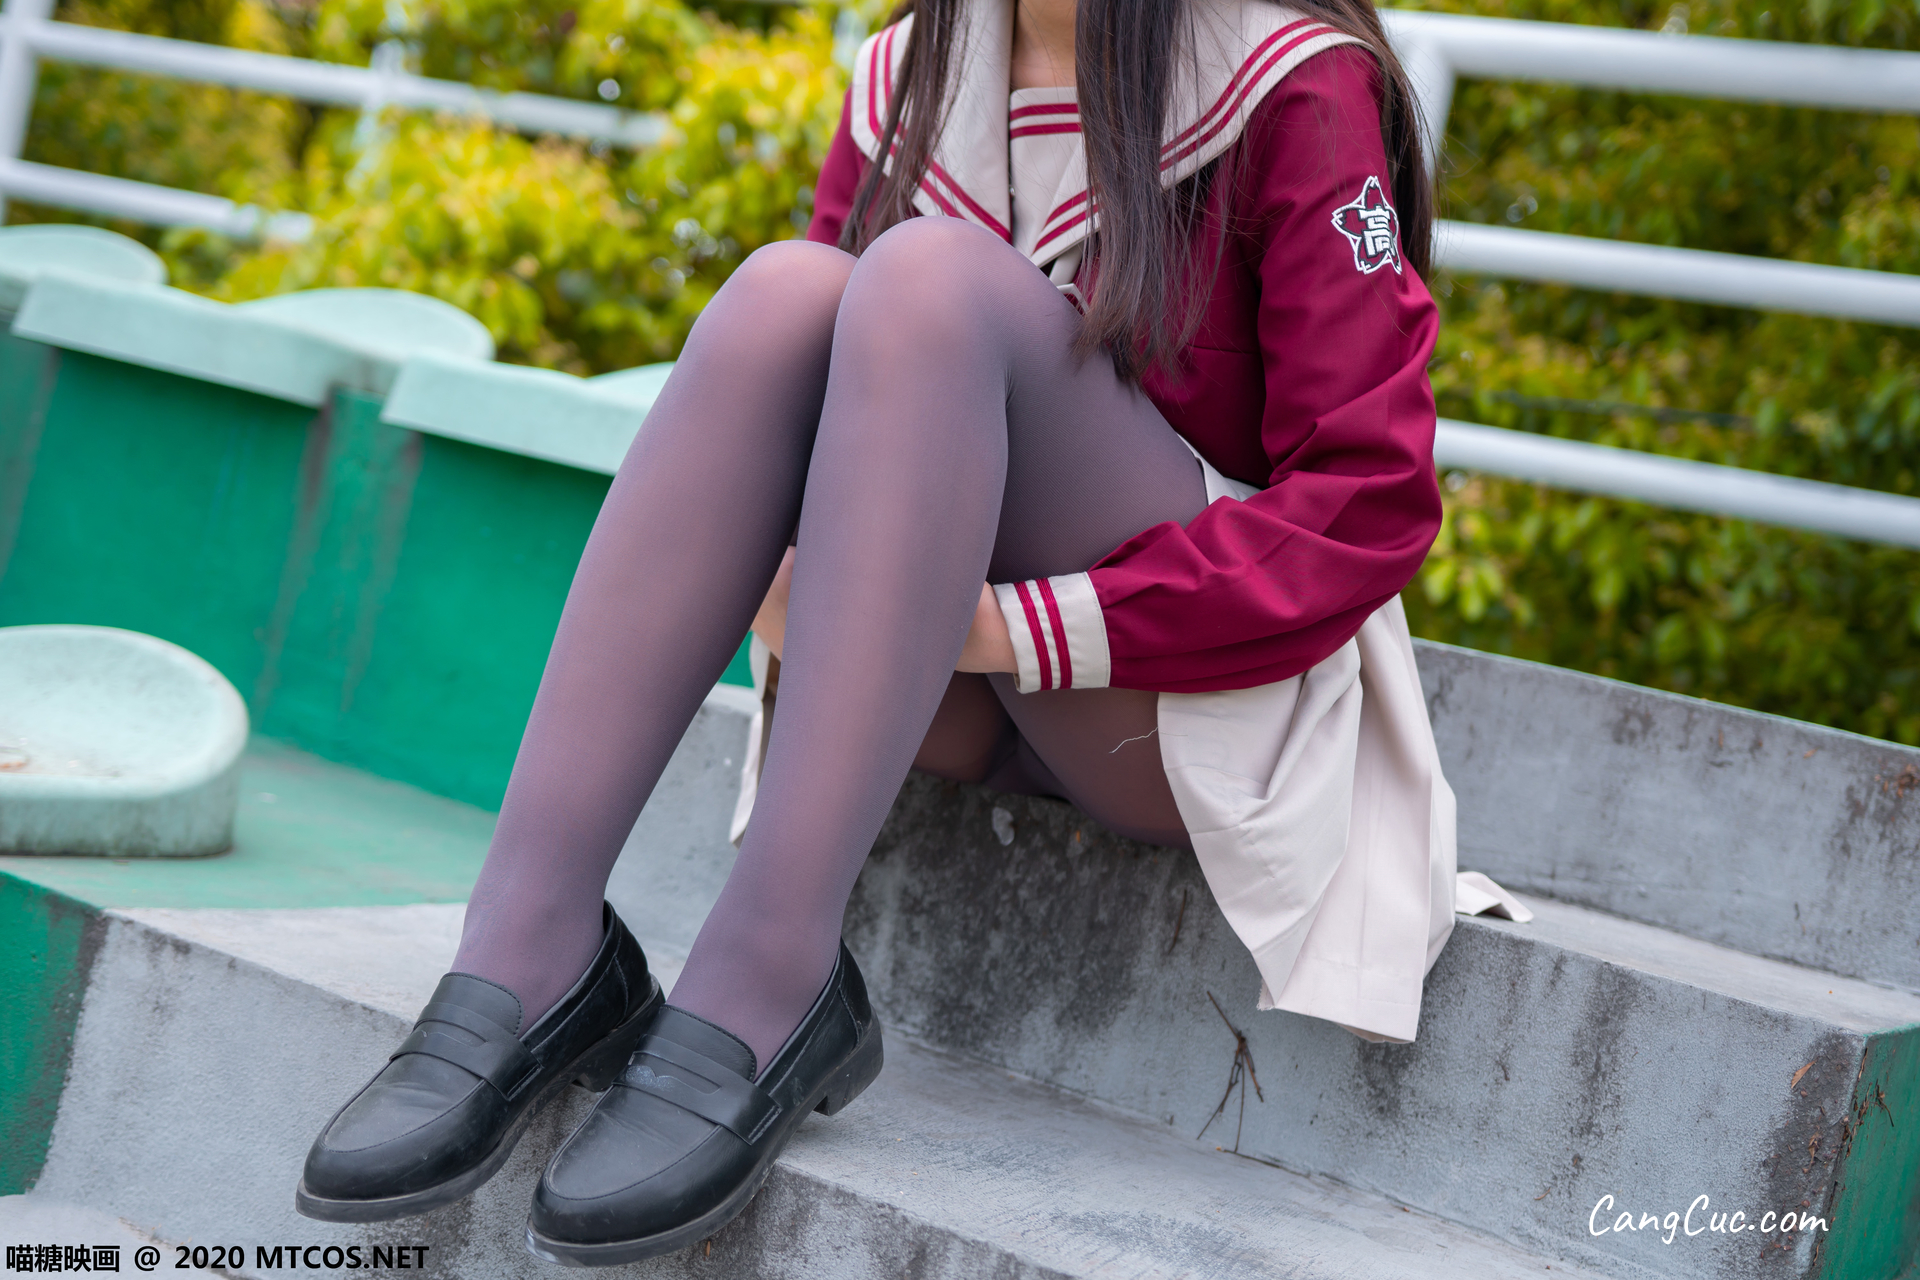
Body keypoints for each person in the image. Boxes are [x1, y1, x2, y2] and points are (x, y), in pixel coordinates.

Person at [295, 0, 1498, 1263]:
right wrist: (785, 572)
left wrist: (1014, 628)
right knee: (784, 294)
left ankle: (766, 975)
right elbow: (810, 406)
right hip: (944, 695)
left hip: (1178, 703)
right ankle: (530, 945)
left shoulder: (1291, 80)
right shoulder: (918, 65)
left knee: (929, 277)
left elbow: (1368, 496)